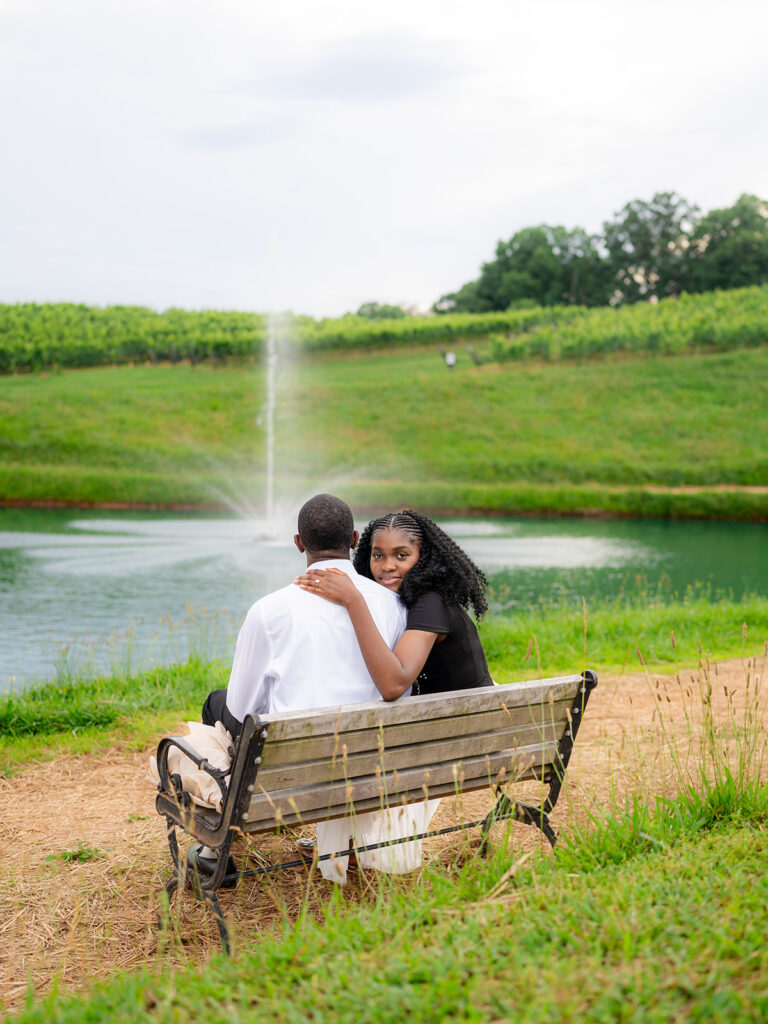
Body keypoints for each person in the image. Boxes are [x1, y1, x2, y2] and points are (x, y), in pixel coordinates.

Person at [193, 493, 415, 885]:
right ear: (354, 539)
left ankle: (215, 851)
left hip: (294, 772)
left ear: (299, 543)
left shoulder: (270, 609)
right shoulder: (393, 604)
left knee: (218, 703)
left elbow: (244, 705)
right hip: (371, 761)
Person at [294, 509, 494, 699]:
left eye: (402, 556)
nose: (387, 567)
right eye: (378, 556)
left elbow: (393, 686)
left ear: (422, 556)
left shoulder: (431, 602)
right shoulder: (410, 598)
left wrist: (353, 600)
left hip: (465, 725)